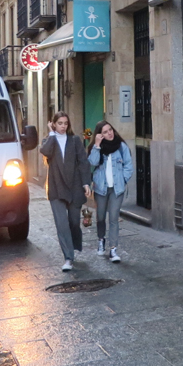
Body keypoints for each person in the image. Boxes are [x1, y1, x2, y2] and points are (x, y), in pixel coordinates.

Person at [41, 111, 92, 271]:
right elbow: (46, 152)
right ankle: (68, 257)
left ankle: (75, 244)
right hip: (56, 188)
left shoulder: (75, 140)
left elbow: (83, 162)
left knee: (74, 223)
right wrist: (51, 134)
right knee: (62, 225)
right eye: (60, 123)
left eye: (65, 123)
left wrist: (86, 183)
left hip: (74, 186)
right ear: (54, 124)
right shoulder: (49, 140)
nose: (63, 126)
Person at [87, 120, 134, 263]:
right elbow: (92, 163)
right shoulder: (97, 148)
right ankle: (101, 240)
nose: (109, 133)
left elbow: (129, 166)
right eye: (105, 132)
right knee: (100, 217)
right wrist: (96, 145)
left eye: (110, 130)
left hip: (116, 189)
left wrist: (123, 180)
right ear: (100, 135)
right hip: (101, 188)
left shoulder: (121, 147)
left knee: (113, 218)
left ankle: (113, 249)